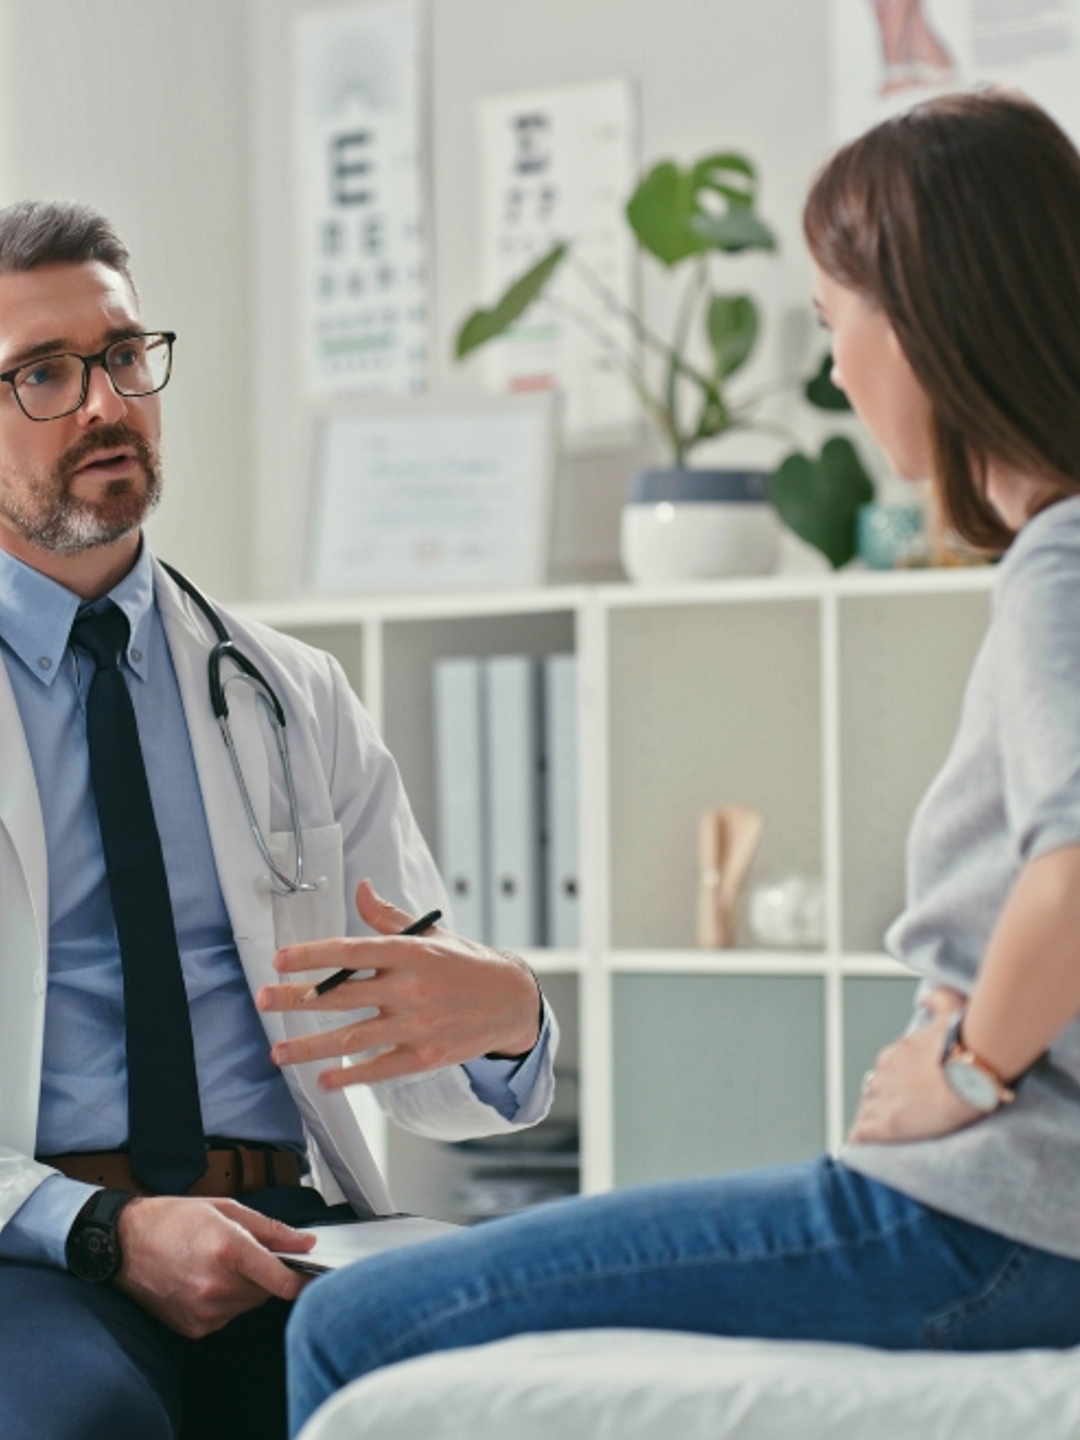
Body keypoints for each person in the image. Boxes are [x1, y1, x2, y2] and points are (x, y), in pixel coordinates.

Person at [285, 88, 1080, 1435]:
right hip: (1008, 1215)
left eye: (837, 324)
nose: (833, 374)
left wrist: (964, 1072)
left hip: (993, 1222)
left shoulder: (1061, 564)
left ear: (927, 320)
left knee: (354, 1321)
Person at [0, 199, 557, 1440]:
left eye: (124, 356)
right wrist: (103, 1230)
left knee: (509, 1395)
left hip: (291, 1227)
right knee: (78, 1422)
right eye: (44, 373)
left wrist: (509, 1023)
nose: (104, 403)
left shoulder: (288, 692)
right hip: (32, 1246)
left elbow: (423, 1068)